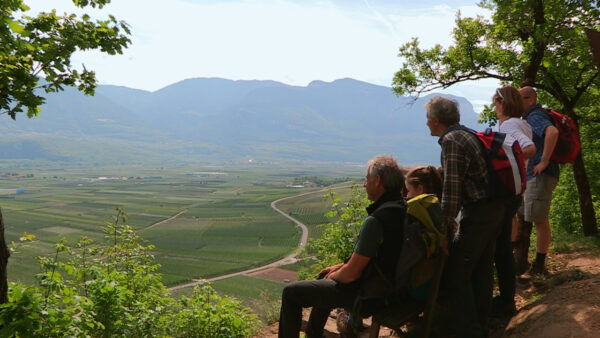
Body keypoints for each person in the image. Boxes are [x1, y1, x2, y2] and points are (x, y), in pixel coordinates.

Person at [278, 155, 406, 338]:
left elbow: (351, 274)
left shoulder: (377, 220)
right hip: (391, 288)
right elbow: (376, 258)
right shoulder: (400, 209)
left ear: (377, 181)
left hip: (370, 296)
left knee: (291, 293)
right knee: (324, 276)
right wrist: (338, 268)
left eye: (367, 179)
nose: (364, 184)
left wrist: (336, 274)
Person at [425, 95, 505, 337]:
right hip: (493, 209)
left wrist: (442, 231)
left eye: (428, 119)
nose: (426, 123)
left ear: (436, 119)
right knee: (481, 269)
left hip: (479, 213)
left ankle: (468, 331)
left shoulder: (452, 141)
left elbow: (451, 191)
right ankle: (481, 324)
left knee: (457, 273)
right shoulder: (467, 133)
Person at [491, 86, 536, 316]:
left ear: (504, 102)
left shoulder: (509, 125)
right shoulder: (522, 123)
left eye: (496, 101)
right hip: (517, 191)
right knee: (503, 247)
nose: (494, 105)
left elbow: (529, 148)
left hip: (506, 191)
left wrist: (509, 165)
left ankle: (505, 300)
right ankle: (506, 297)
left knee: (499, 248)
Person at [517, 86, 560, 275]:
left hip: (541, 174)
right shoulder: (528, 117)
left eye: (520, 99)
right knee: (533, 217)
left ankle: (539, 267)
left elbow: (552, 132)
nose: (516, 103)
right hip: (534, 174)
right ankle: (532, 264)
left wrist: (544, 161)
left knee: (539, 220)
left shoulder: (534, 115)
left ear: (530, 100)